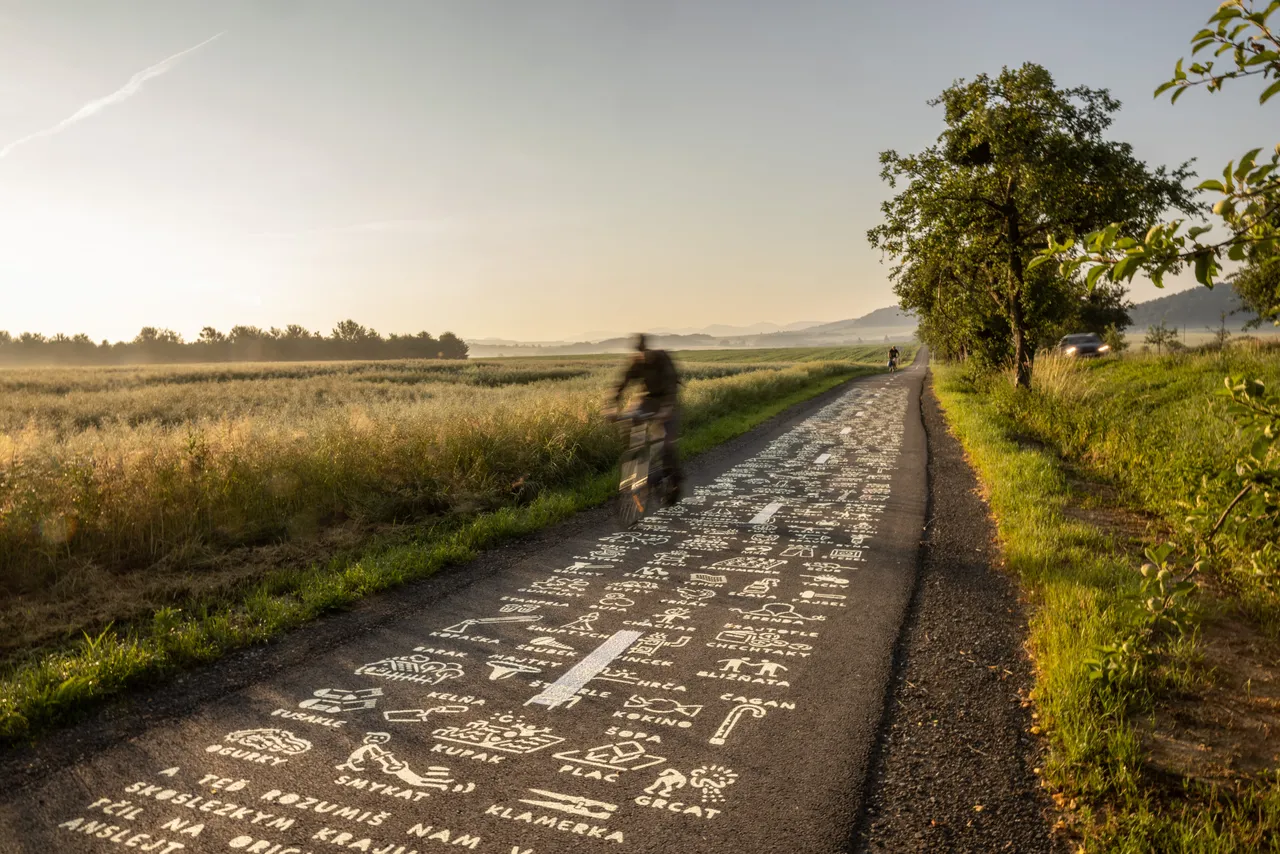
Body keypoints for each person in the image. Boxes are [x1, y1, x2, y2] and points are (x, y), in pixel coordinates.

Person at [611, 333, 683, 502]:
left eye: (644, 352)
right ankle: (637, 455)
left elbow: (672, 386)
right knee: (631, 419)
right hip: (647, 399)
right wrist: (611, 406)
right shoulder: (637, 362)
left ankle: (674, 479)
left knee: (667, 442)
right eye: (639, 353)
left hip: (667, 401)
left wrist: (665, 410)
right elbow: (621, 384)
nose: (642, 356)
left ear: (649, 349)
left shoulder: (662, 359)